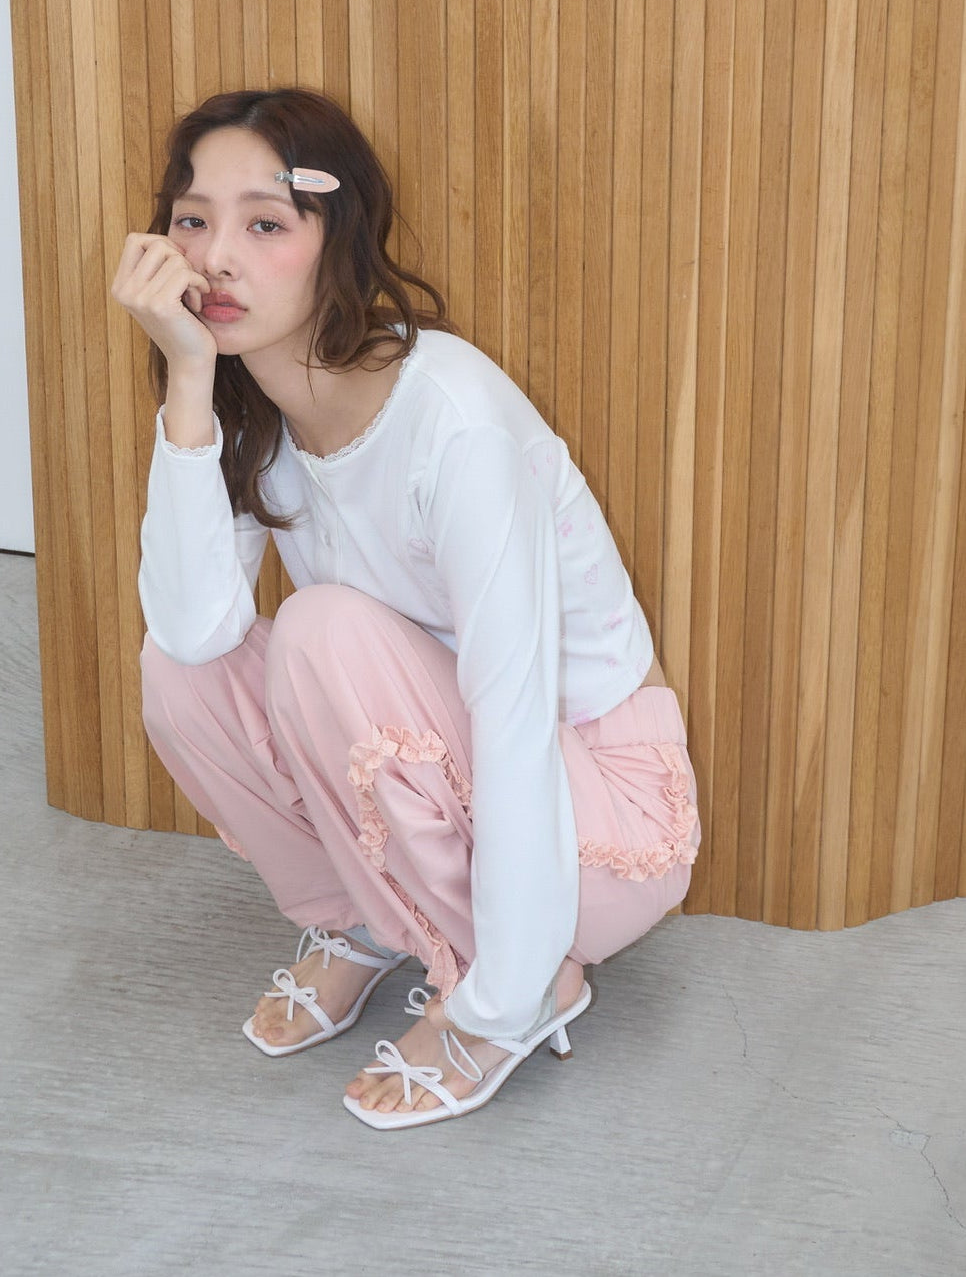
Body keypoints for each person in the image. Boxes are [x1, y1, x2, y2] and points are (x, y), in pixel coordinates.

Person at [110, 87, 701, 1130]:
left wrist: (503, 994)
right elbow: (195, 630)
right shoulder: (255, 406)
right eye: (193, 220)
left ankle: (517, 977)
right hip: (457, 773)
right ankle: (366, 920)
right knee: (179, 667)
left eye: (265, 224)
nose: (215, 258)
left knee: (321, 631)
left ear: (337, 239)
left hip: (598, 818)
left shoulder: (453, 422)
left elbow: (514, 719)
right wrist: (188, 378)